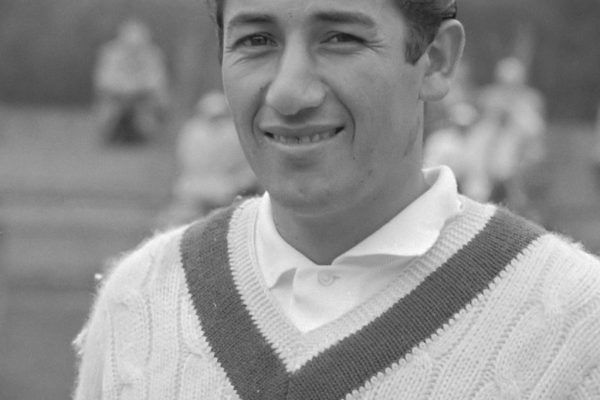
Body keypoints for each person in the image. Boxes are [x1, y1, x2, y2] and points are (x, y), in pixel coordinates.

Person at [73, 0, 600, 399]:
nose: (288, 92)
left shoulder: (578, 324)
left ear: (436, 62)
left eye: (341, 38)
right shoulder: (140, 299)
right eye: (256, 40)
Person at [158, 90, 258, 227]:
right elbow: (186, 164)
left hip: (228, 188)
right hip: (196, 187)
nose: (216, 123)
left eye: (219, 117)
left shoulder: (235, 133)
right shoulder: (193, 132)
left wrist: (238, 184)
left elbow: (248, 170)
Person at [94, 19, 169, 145]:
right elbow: (103, 82)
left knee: (158, 103)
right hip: (117, 100)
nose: (133, 51)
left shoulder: (153, 54)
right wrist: (126, 93)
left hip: (143, 101)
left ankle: (147, 131)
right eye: (129, 47)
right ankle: (111, 132)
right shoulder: (110, 53)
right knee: (109, 110)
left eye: (138, 47)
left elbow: (157, 82)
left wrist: (134, 92)